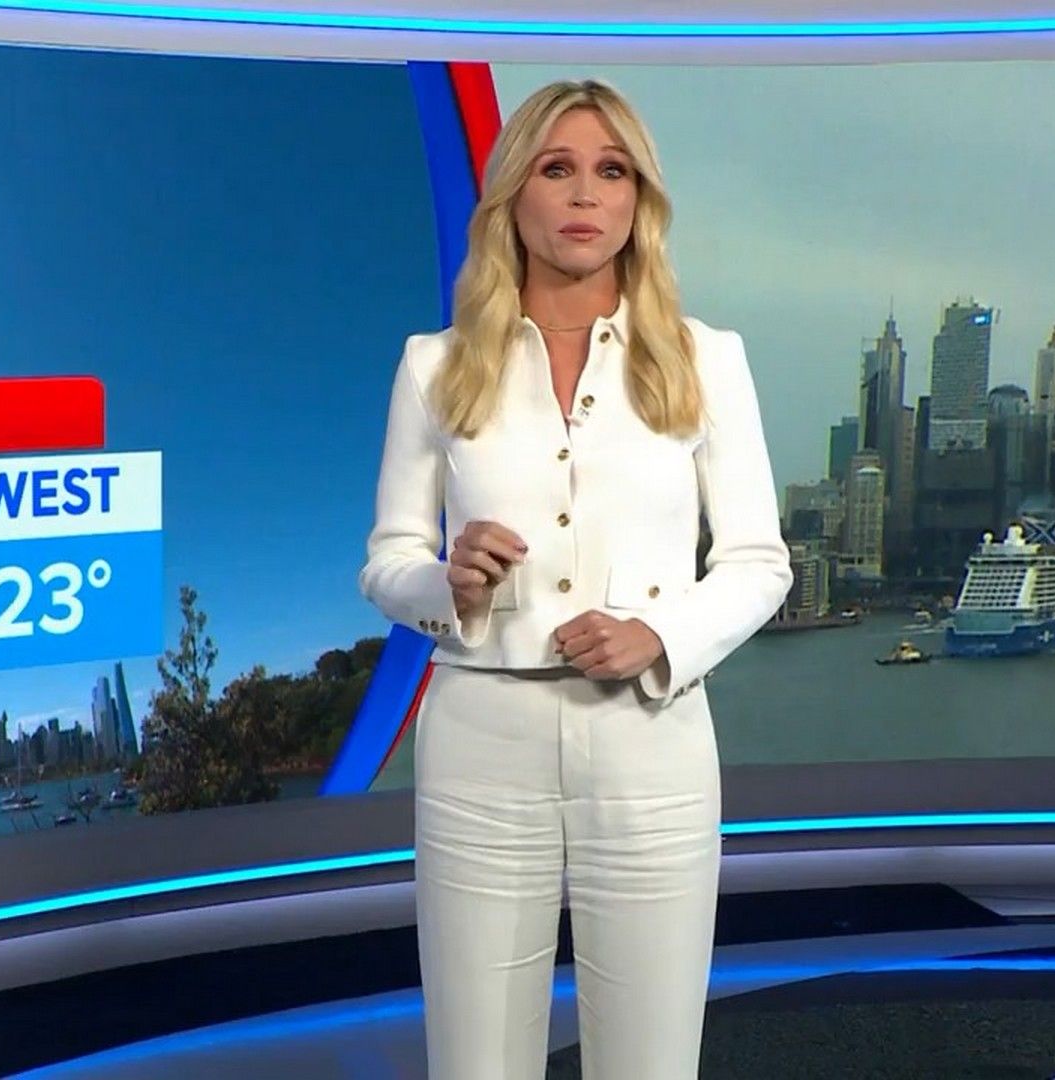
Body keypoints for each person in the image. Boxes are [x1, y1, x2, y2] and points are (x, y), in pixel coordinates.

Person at [359, 79, 794, 1079]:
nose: (586, 194)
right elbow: (387, 561)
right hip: (479, 750)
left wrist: (660, 636)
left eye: (612, 171)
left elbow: (758, 561)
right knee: (475, 1061)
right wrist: (449, 585)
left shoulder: (705, 360)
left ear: (640, 199)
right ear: (514, 193)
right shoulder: (434, 366)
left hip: (650, 743)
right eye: (557, 169)